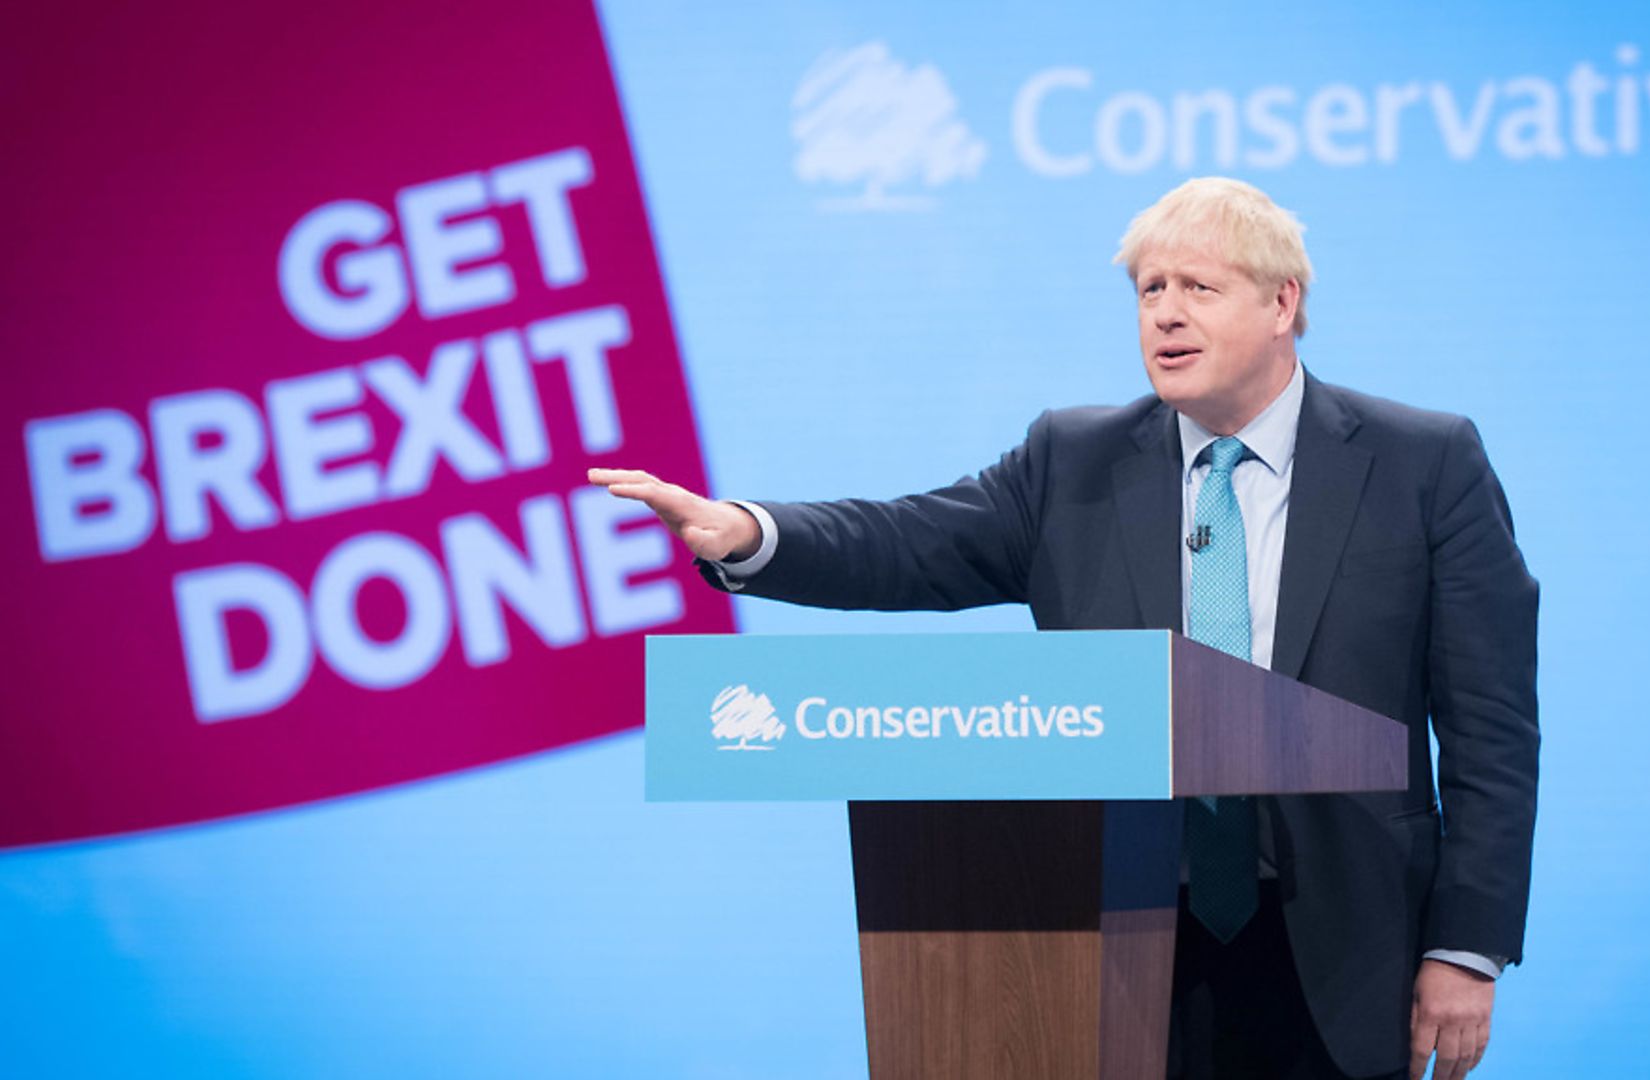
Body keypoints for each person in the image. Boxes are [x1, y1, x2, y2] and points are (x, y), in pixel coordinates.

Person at [589, 177, 1538, 1080]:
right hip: (1110, 941)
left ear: (1283, 303)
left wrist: (1467, 946)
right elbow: (909, 541)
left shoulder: (1422, 465)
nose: (1165, 313)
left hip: (1344, 943)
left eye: (1197, 287)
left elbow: (1490, 729)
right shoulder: (1072, 463)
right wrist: (750, 534)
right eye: (1148, 289)